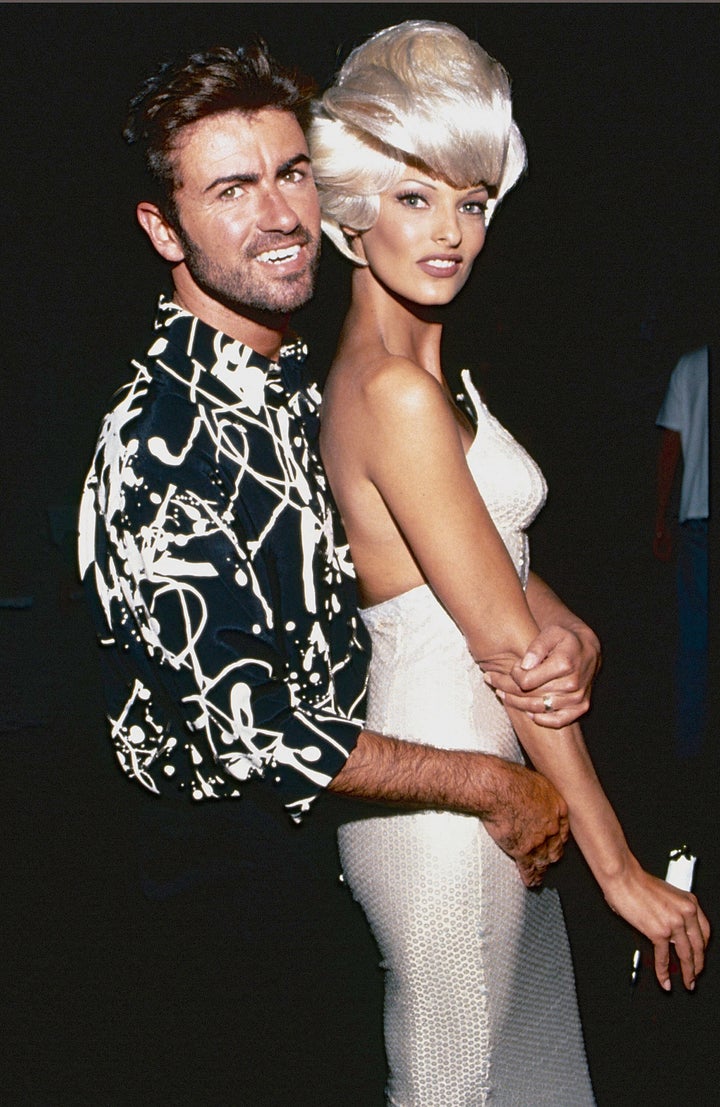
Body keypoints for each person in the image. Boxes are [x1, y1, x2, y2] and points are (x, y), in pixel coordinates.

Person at [77, 40, 604, 1102]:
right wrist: (490, 785)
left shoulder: (302, 378)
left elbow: (416, 552)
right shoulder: (158, 437)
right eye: (231, 188)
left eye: (292, 172)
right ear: (162, 227)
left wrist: (558, 617)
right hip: (222, 895)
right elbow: (249, 729)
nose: (278, 214)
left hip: (324, 858)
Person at [309, 20, 711, 1106]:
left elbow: (482, 566)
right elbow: (508, 656)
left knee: (538, 1088)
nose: (451, 232)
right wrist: (619, 870)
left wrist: (568, 619)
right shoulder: (390, 393)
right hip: (448, 822)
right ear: (350, 214)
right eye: (413, 197)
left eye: (472, 200)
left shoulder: (431, 376)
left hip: (511, 808)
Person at [654, 345, 709, 762]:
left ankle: (688, 748)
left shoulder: (690, 365)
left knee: (694, 641)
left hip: (697, 522)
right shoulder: (690, 365)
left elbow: (669, 449)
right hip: (697, 526)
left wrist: (660, 520)